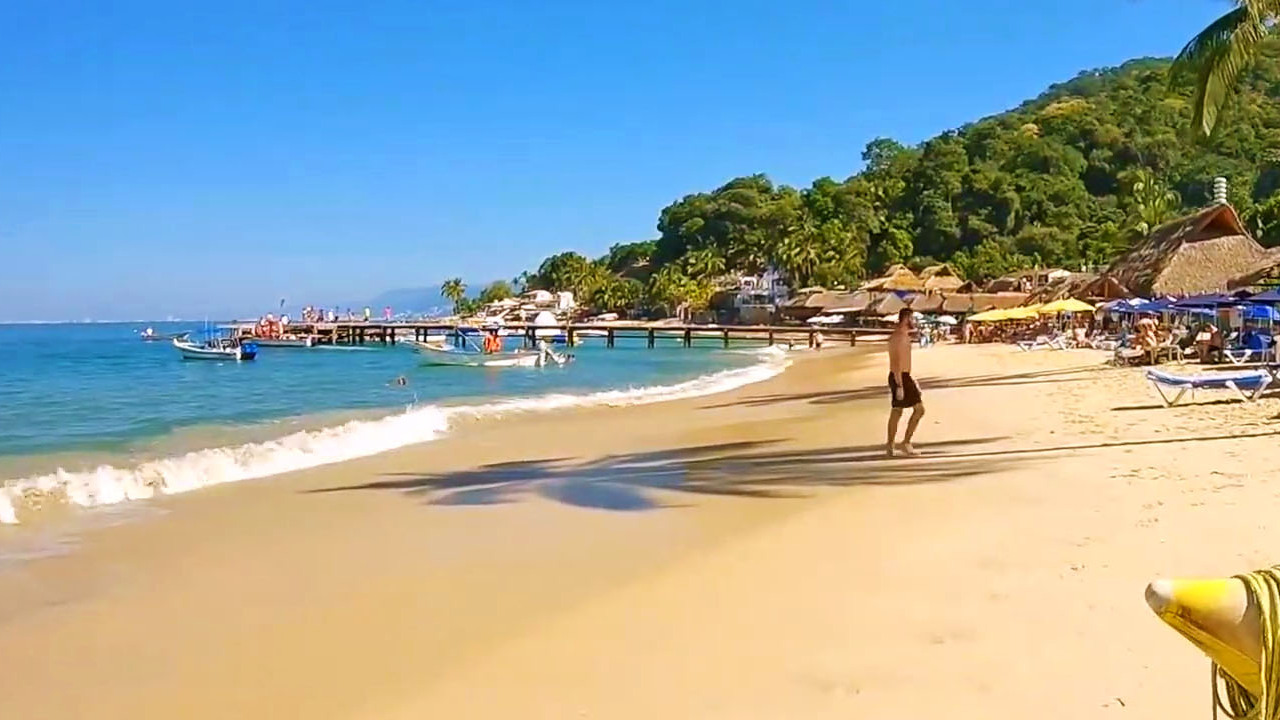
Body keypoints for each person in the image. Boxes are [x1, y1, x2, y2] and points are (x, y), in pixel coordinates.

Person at [887, 308, 925, 458]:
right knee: (919, 410)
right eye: (912, 318)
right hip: (899, 377)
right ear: (906, 318)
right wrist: (900, 385)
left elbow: (903, 362)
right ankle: (904, 443)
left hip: (903, 376)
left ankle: (891, 445)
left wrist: (911, 378)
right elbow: (896, 363)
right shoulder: (899, 338)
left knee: (897, 411)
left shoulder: (902, 336)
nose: (914, 321)